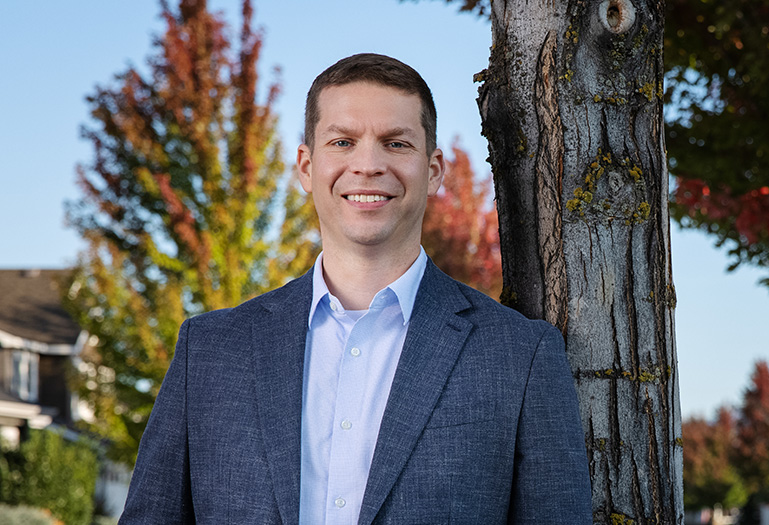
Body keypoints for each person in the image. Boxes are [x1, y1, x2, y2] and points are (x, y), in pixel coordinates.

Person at [120, 53, 591, 524]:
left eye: (396, 143)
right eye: (343, 141)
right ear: (306, 166)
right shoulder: (209, 352)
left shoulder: (520, 357)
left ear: (433, 170)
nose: (367, 165)